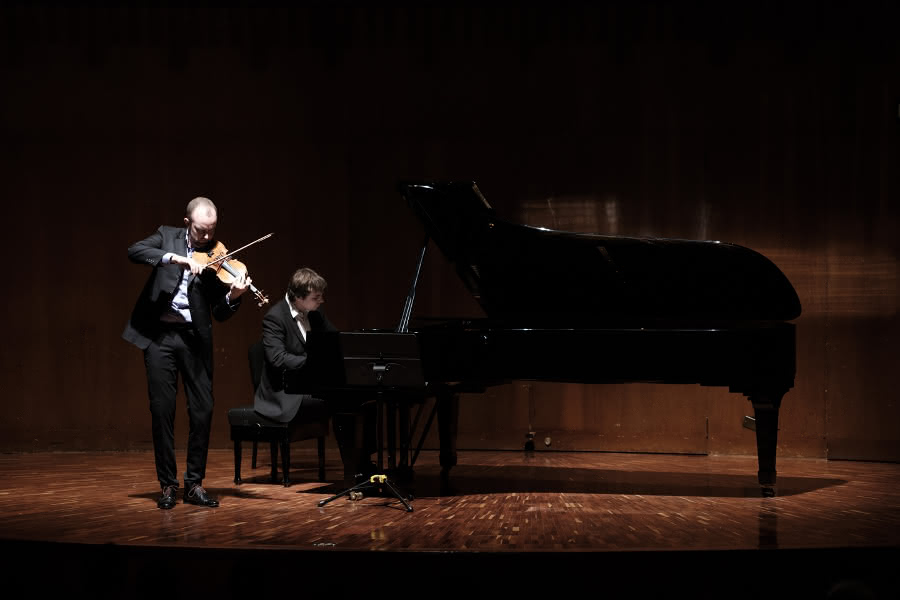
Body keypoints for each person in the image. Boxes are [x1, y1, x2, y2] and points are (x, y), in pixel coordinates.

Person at [123, 197, 250, 509]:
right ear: (186, 222)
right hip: (160, 336)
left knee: (203, 410)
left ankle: (194, 484)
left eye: (211, 231)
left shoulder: (217, 255)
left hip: (194, 338)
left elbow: (220, 312)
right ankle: (168, 485)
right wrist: (177, 259)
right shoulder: (166, 235)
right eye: (200, 231)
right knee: (162, 409)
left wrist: (234, 295)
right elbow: (135, 251)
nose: (207, 238)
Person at [254, 267, 375, 485]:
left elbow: (336, 342)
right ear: (298, 298)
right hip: (284, 393)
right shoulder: (274, 317)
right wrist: (314, 364)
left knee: (365, 399)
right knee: (342, 401)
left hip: (308, 386)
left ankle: (363, 463)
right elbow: (277, 359)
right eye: (315, 297)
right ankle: (352, 472)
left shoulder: (316, 315)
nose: (321, 301)